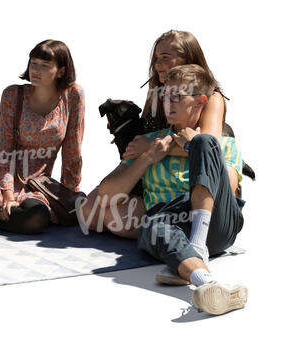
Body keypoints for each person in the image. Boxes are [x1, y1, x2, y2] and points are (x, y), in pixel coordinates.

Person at [97, 64, 247, 315]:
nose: (169, 102)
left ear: (200, 101)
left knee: (204, 141)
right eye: (166, 95)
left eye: (178, 96)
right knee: (153, 225)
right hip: (170, 221)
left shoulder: (223, 143)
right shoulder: (150, 141)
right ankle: (207, 284)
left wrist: (194, 148)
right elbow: (107, 194)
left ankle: (197, 245)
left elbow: (229, 186)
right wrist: (147, 157)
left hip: (218, 224)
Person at [79, 30, 229, 239]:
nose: (158, 64)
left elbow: (207, 148)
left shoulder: (212, 97)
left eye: (166, 58)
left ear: (189, 59)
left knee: (112, 217)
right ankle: (156, 227)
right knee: (87, 213)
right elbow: (150, 130)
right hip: (149, 168)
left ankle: (167, 230)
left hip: (178, 177)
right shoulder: (157, 88)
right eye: (156, 58)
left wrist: (151, 148)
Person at [0, 39, 85, 236]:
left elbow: (73, 149)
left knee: (36, 219)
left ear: (61, 71)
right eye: (33, 63)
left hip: (37, 182)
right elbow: (5, 150)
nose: (35, 70)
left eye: (45, 66)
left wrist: (69, 195)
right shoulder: (13, 95)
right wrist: (8, 195)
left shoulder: (73, 95)